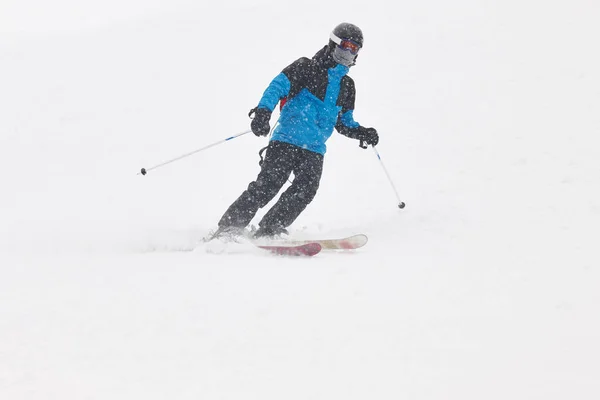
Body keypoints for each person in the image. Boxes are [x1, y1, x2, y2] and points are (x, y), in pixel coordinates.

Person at [214, 22, 379, 239]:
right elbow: (277, 86)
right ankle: (228, 229)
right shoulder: (306, 67)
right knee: (268, 186)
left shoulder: (347, 86)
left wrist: (362, 132)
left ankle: (269, 229)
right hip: (286, 140)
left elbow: (344, 122)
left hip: (315, 149)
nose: (348, 53)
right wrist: (263, 112)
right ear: (333, 44)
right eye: (346, 46)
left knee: (306, 191)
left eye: (355, 49)